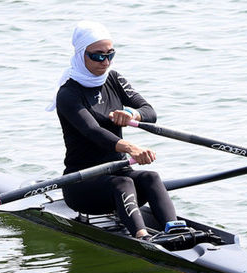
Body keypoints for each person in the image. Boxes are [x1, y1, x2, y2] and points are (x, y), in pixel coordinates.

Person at [55, 21, 184, 240]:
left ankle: (175, 228)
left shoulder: (114, 79)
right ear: (80, 55)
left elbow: (149, 112)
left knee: (151, 177)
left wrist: (133, 115)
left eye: (110, 55)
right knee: (123, 183)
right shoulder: (68, 94)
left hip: (117, 173)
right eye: (97, 56)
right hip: (81, 185)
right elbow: (93, 131)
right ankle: (142, 238)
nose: (105, 61)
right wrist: (132, 148)